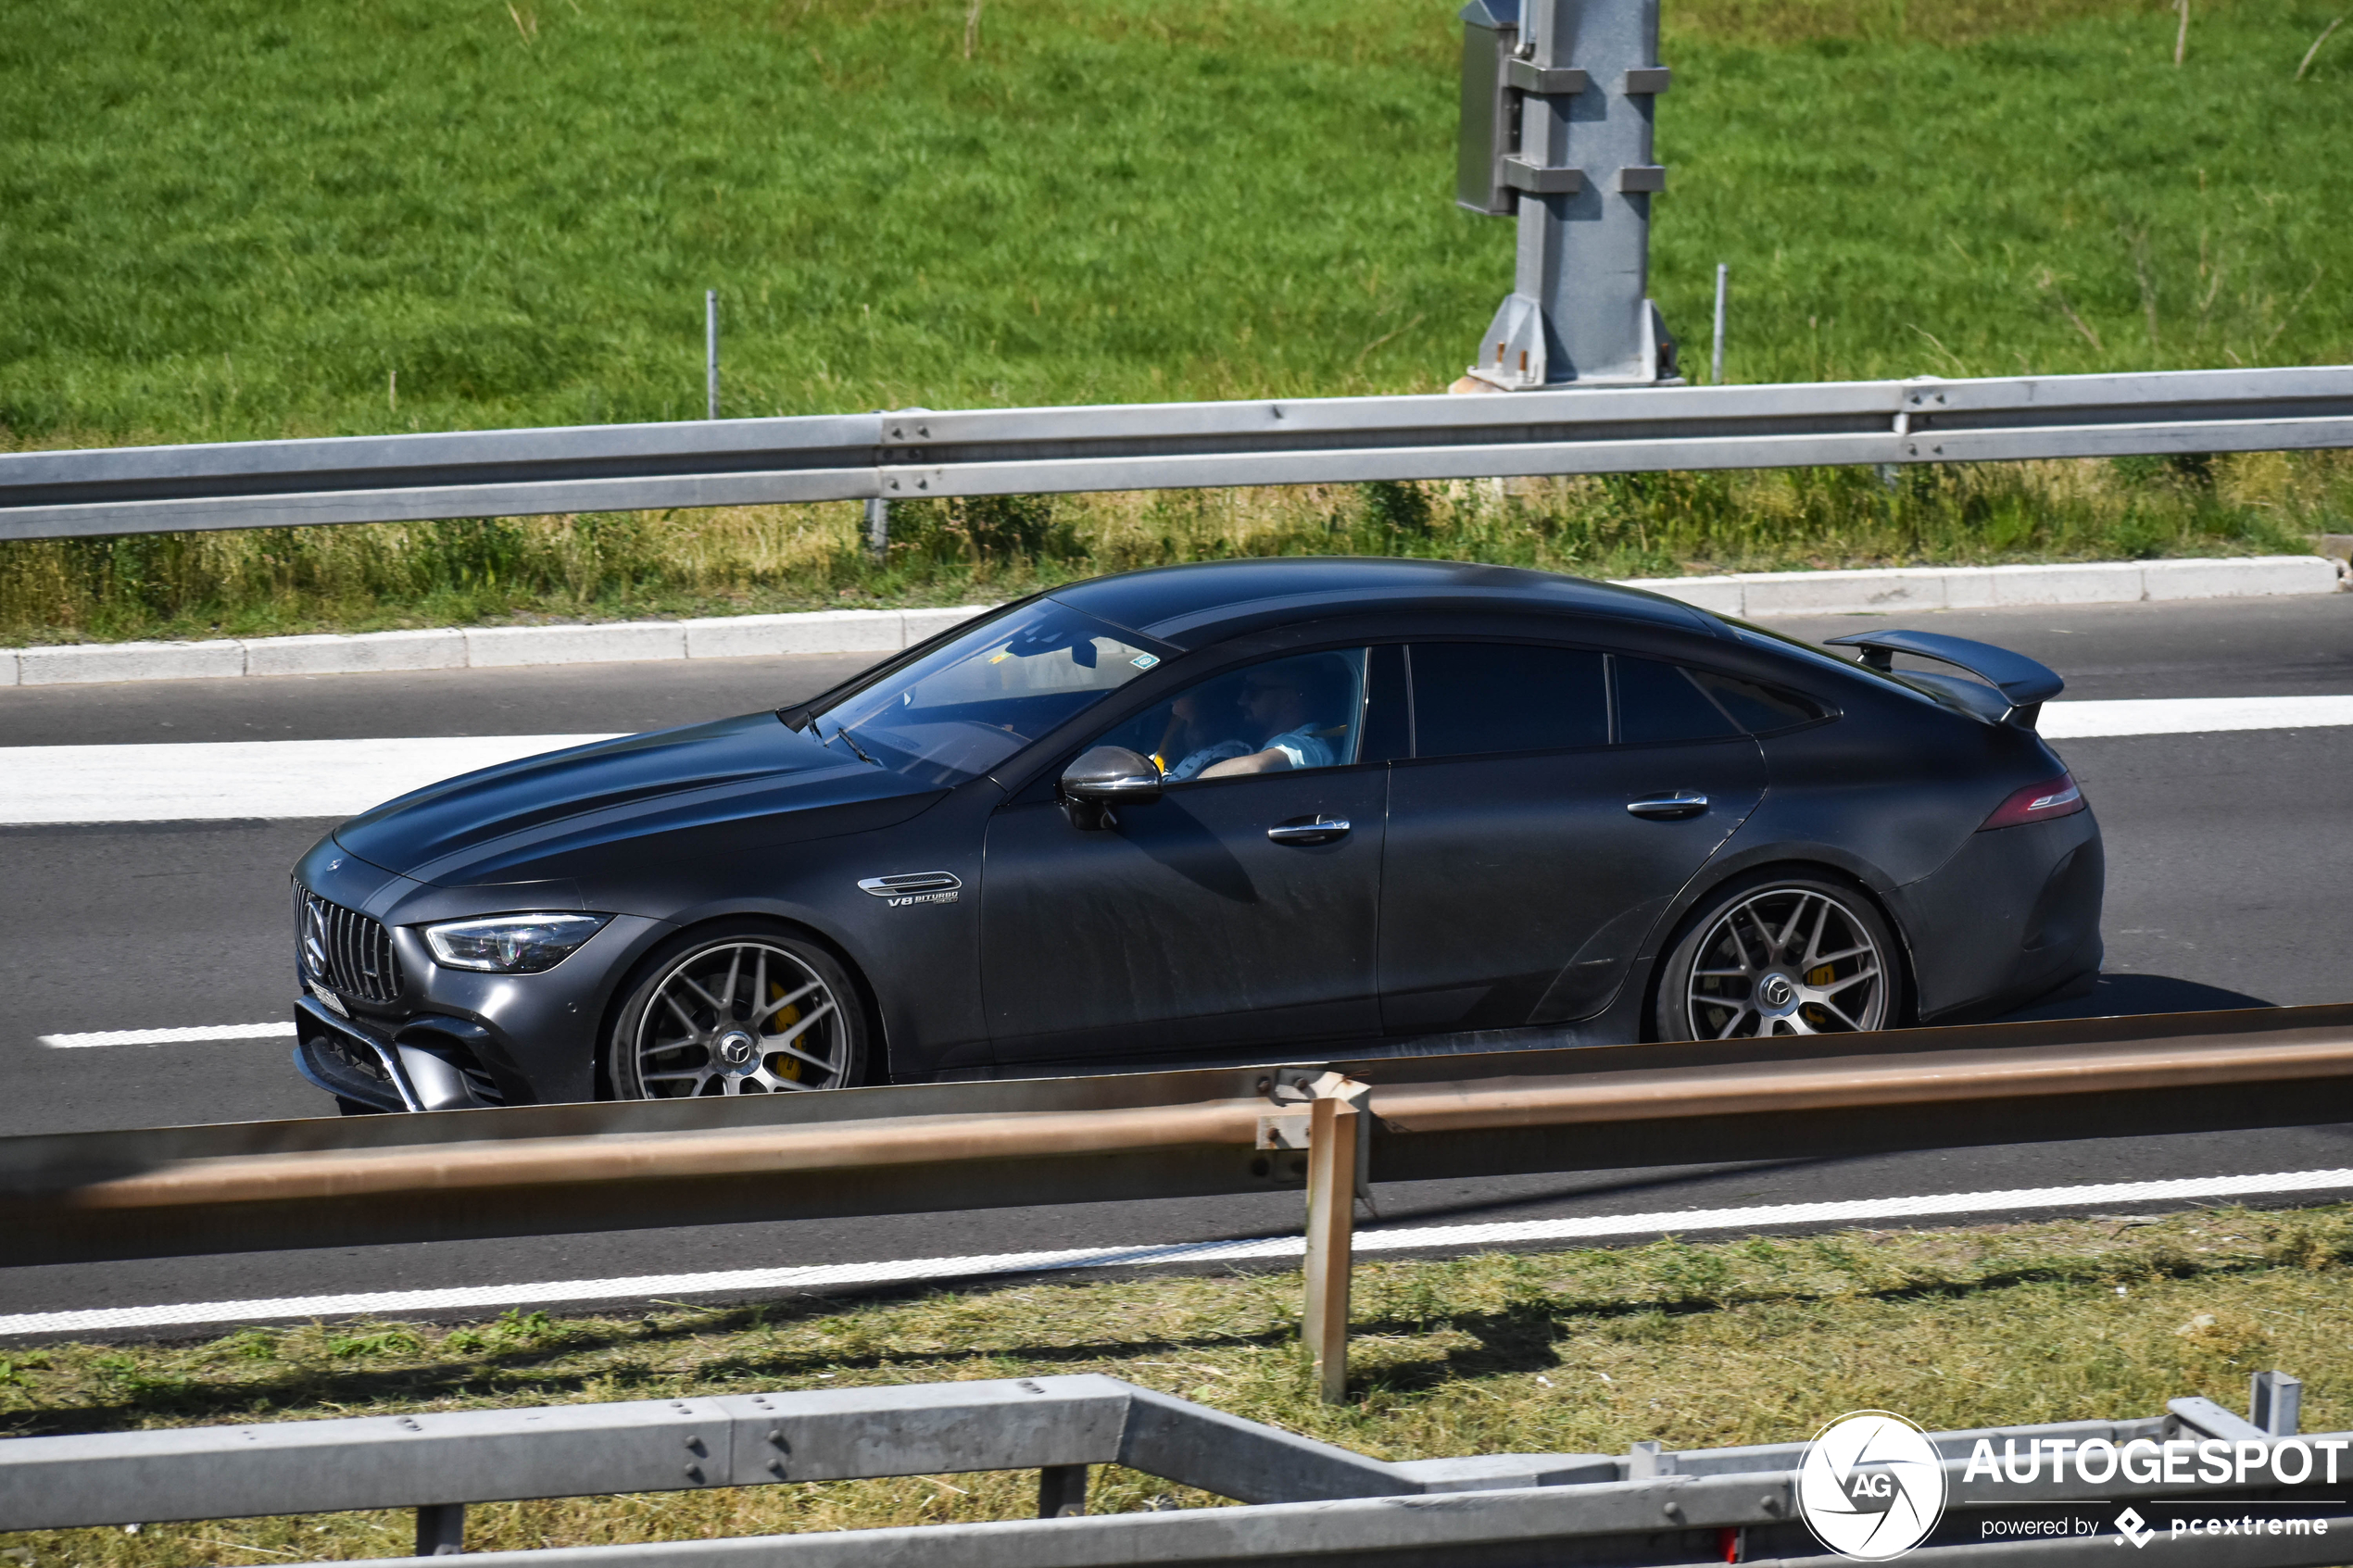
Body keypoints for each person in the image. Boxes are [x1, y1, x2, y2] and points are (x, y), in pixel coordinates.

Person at [1164, 657, 1353, 780]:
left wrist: (1187, 786)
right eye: (1244, 689)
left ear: (1289, 700)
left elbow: (1256, 766)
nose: (1241, 700)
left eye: (1253, 691)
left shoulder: (1306, 744)